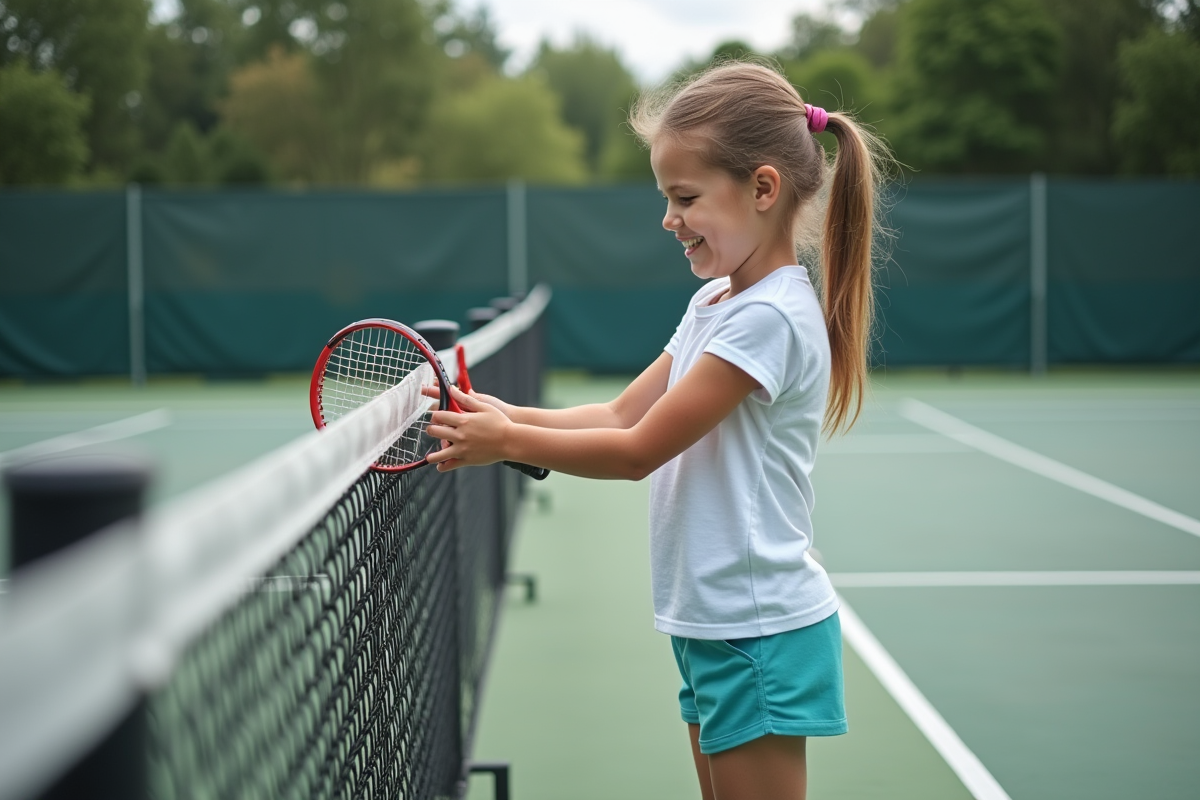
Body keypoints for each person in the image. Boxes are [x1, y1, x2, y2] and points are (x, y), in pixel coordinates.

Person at [426, 61, 890, 800]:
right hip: (711, 624)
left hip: (758, 631)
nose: (669, 219)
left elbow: (640, 450)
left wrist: (507, 443)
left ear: (763, 189)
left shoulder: (767, 319)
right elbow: (619, 414)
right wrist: (499, 415)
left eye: (685, 198)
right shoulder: (716, 304)